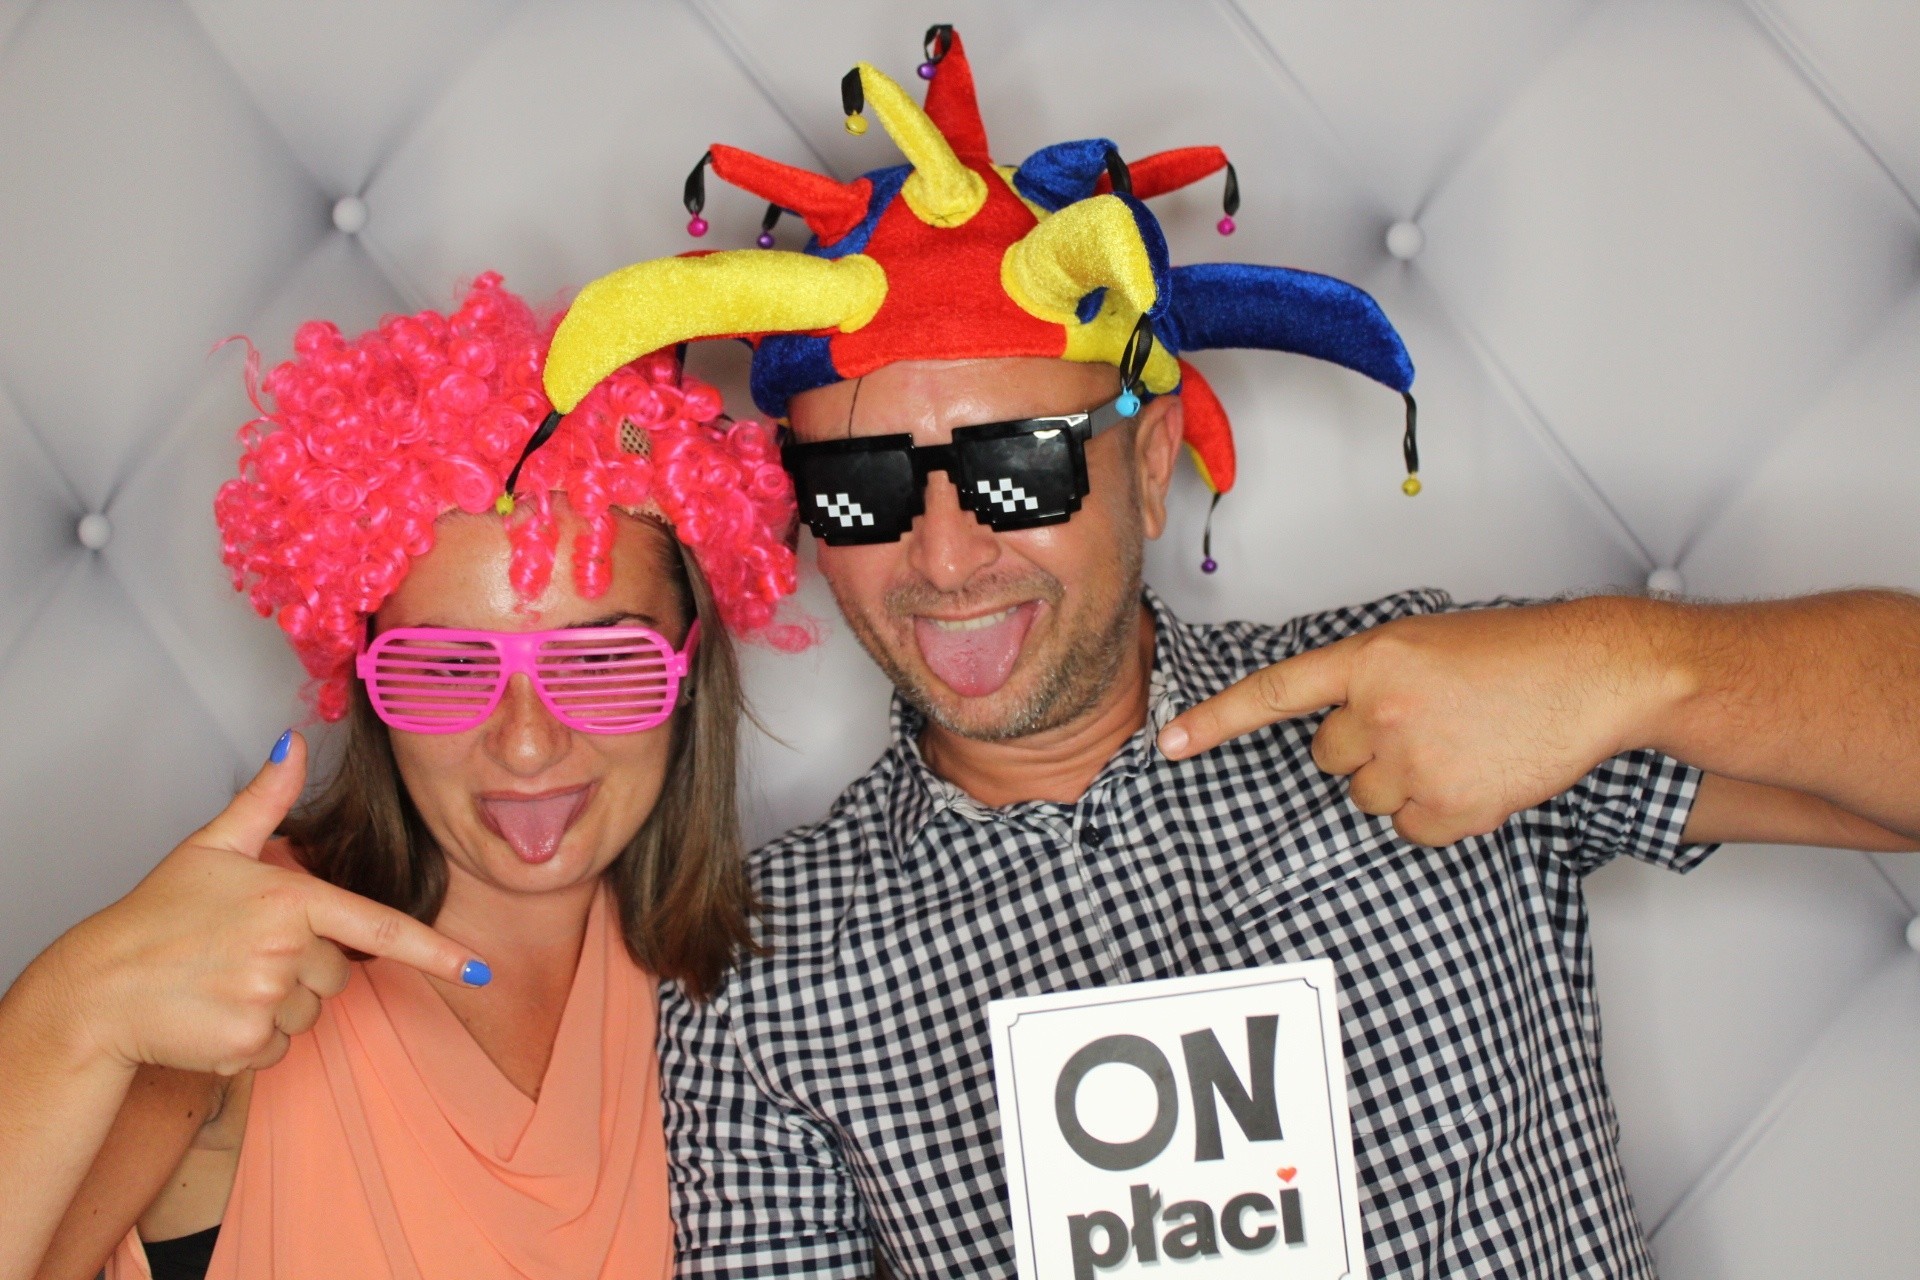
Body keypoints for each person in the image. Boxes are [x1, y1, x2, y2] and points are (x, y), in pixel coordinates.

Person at [537, 28, 1920, 1278]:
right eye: (864, 490)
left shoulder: (1425, 696)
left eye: (1021, 467)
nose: (946, 559)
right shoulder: (759, 970)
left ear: (1149, 469)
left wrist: (1623, 664)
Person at [0, 273, 802, 1280]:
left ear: (688, 672)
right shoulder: (232, 978)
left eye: (601, 661)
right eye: (448, 666)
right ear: (367, 682)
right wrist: (75, 1010)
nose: (525, 745)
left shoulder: (754, 1002)